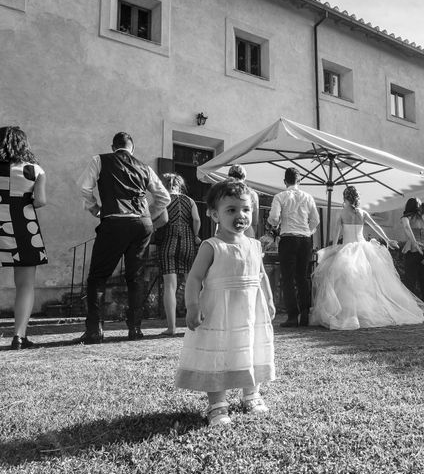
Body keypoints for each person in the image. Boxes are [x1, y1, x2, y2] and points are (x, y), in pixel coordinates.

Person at [175, 179, 275, 426]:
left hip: (250, 312)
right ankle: (218, 404)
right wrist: (193, 306)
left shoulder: (254, 245)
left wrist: (270, 301)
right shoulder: (212, 246)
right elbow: (195, 278)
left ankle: (251, 394)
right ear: (214, 214)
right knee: (219, 353)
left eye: (246, 209)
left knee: (250, 348)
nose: (240, 215)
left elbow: (261, 276)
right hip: (218, 312)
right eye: (231, 210)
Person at [77, 132, 170, 344]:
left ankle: (94, 330)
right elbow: (164, 197)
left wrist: (95, 208)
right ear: (132, 148)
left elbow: (84, 187)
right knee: (135, 276)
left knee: (98, 277)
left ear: (113, 147)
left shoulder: (100, 160)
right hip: (141, 224)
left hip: (114, 221)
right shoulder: (145, 167)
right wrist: (149, 214)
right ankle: (135, 329)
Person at [310, 186, 424, 330]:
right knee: (369, 282)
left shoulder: (340, 214)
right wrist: (387, 239)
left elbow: (336, 235)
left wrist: (334, 249)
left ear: (345, 198)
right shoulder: (362, 213)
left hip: (347, 248)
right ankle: (364, 312)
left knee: (347, 282)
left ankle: (351, 314)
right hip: (363, 248)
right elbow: (376, 226)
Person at [0, 127, 48, 350]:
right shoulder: (35, 170)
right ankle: (19, 336)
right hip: (24, 229)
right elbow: (40, 201)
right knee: (25, 285)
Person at [267, 167, 319, 327]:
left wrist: (273, 223)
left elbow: (274, 219)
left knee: (288, 278)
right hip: (304, 240)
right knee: (302, 277)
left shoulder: (280, 197)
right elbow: (315, 220)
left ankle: (292, 316)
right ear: (300, 180)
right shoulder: (308, 197)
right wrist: (307, 231)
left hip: (288, 239)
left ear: (285, 181)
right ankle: (304, 314)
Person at [158, 173, 201, 336]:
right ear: (179, 185)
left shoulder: (163, 198)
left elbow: (161, 219)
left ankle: (172, 327)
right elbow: (196, 220)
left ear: (165, 184)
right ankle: (196, 322)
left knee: (170, 286)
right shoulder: (189, 201)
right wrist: (195, 235)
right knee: (192, 283)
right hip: (188, 241)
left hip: (168, 241)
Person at [400, 198, 424, 314]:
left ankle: (412, 309)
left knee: (410, 281)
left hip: (412, 251)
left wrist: (414, 243)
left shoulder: (406, 218)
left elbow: (406, 228)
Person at [228, 164, 259, 238]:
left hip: (228, 234)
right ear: (244, 177)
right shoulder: (252, 194)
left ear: (228, 176)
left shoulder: (223, 192)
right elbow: (255, 221)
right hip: (247, 232)